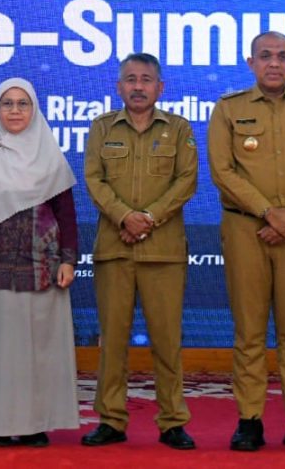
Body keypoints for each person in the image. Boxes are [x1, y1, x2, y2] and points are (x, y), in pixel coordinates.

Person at [206, 31, 285, 453]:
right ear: (251, 62)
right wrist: (269, 212)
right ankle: (250, 420)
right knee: (249, 331)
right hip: (246, 229)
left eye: (282, 56)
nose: (274, 63)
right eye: (265, 56)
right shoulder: (229, 109)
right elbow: (222, 171)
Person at [0, 78, 80, 448]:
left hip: (41, 265)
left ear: (34, 109)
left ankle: (35, 424)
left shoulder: (50, 155)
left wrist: (68, 260)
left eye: (23, 104)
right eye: (7, 104)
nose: (15, 111)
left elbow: (66, 215)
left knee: (38, 350)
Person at [81, 53, 197, 450]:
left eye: (146, 79)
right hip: (115, 249)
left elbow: (187, 181)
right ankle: (111, 419)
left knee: (167, 341)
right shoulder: (101, 128)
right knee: (112, 341)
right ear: (119, 87)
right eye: (130, 79)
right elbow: (94, 179)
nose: (137, 86)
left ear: (159, 87)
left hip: (163, 251)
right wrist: (123, 217)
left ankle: (172, 421)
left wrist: (147, 218)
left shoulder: (179, 129)